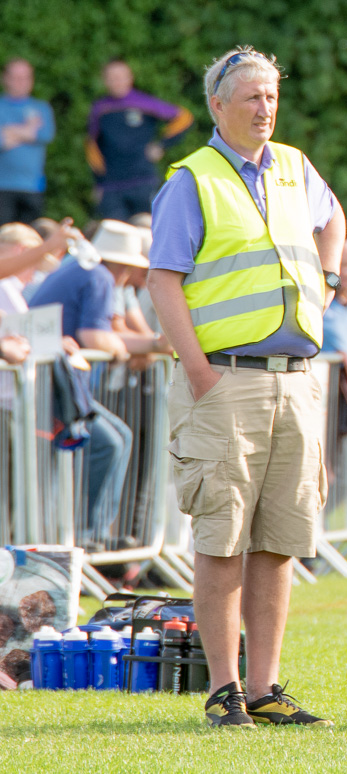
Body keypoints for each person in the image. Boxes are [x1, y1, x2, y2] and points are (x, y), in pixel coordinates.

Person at [146, 46, 344, 729]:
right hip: (225, 380)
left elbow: (333, 219)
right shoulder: (191, 179)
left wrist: (329, 280)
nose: (265, 108)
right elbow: (162, 279)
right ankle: (224, 688)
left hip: (293, 380)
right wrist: (198, 370)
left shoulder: (293, 165)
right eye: (252, 98)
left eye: (272, 97)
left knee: (278, 542)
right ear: (218, 106)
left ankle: (264, 687)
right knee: (221, 540)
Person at [27, 223, 162, 544]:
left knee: (118, 438)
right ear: (126, 265)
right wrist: (145, 346)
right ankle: (87, 535)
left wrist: (152, 344)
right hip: (51, 387)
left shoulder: (85, 271)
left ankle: (94, 532)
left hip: (53, 383)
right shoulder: (99, 277)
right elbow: (95, 338)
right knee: (110, 443)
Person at [88, 58, 194, 220]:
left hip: (144, 181)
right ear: (105, 81)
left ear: (130, 78)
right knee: (116, 239)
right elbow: (92, 147)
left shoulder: (144, 102)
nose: (117, 81)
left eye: (121, 76)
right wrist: (99, 183)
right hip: (112, 186)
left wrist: (161, 145)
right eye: (112, 77)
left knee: (148, 233)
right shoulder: (100, 108)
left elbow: (184, 118)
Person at [0, 58, 55, 225]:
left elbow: (44, 134)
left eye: (25, 77)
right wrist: (28, 129)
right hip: (3, 186)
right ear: (5, 78)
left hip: (32, 186)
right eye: (15, 77)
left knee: (30, 238)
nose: (20, 82)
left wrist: (9, 131)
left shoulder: (41, 108)